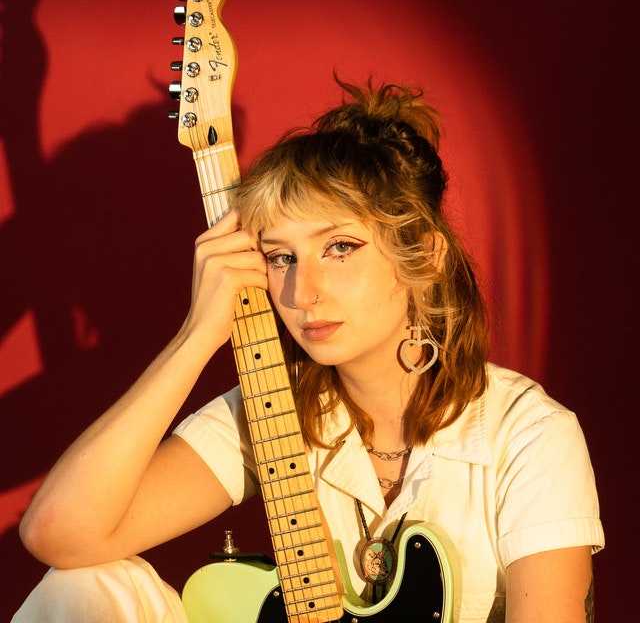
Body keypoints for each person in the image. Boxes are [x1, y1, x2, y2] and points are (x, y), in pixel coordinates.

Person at [13, 80, 603, 622]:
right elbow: (59, 534)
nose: (301, 292)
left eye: (339, 247)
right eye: (280, 257)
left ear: (423, 256)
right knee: (84, 587)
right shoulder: (271, 407)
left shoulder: (527, 435)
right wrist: (197, 336)